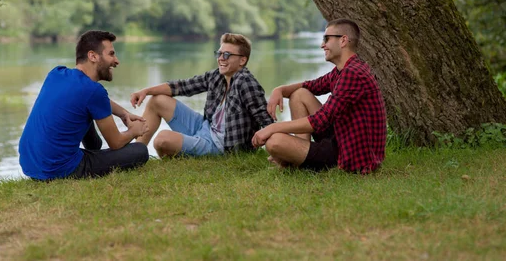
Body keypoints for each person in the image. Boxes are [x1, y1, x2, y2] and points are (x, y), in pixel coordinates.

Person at [252, 18, 387, 174]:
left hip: (351, 154)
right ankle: (295, 159)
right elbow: (309, 86)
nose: (322, 44)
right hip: (341, 137)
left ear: (343, 40)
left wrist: (272, 128)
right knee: (299, 94)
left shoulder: (353, 73)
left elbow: (320, 120)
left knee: (274, 142)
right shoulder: (343, 70)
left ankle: (293, 158)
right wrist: (279, 89)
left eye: (326, 39)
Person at [19, 30, 149, 180]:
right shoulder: (94, 91)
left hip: (30, 164)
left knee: (91, 131)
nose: (117, 61)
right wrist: (134, 131)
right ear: (93, 56)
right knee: (140, 151)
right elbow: (116, 143)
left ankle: (94, 151)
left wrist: (123, 114)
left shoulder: (56, 73)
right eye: (111, 54)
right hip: (59, 170)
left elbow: (90, 97)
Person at [130, 33, 273, 157]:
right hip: (205, 127)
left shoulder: (246, 82)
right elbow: (182, 86)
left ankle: (180, 157)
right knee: (157, 100)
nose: (221, 58)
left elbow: (266, 121)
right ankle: (135, 155)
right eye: (219, 53)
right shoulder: (217, 75)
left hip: (221, 147)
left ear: (242, 60)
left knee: (162, 139)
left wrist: (276, 154)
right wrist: (146, 91)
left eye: (227, 55)